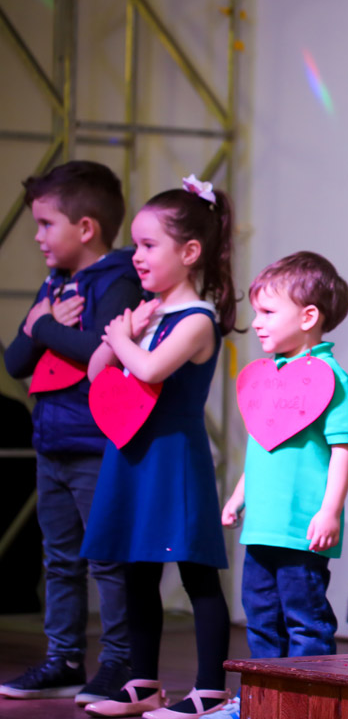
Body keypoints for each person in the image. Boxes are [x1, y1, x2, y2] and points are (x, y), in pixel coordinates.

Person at [80, 175, 237, 719]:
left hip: (173, 458)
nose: (137, 256)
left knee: (196, 572)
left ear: (189, 252)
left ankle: (210, 689)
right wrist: (123, 332)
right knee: (137, 570)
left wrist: (124, 337)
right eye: (136, 245)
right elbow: (99, 374)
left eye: (149, 245)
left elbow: (147, 369)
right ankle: (141, 683)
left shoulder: (197, 320)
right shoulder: (151, 315)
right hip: (133, 454)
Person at [1, 161, 139, 704]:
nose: (37, 236)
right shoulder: (54, 283)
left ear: (85, 227)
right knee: (59, 559)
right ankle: (63, 659)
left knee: (107, 558)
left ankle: (120, 662)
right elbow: (15, 360)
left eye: (45, 224)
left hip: (95, 443)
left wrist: (45, 326)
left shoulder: (119, 280)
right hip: (52, 442)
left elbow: (102, 353)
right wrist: (42, 325)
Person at [216, 251, 348, 719]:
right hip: (261, 526)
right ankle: (263, 702)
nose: (256, 322)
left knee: (305, 619)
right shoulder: (268, 378)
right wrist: (239, 497)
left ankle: (306, 706)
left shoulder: (331, 378)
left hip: (300, 530)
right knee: (260, 617)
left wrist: (329, 510)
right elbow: (263, 446)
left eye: (268, 311)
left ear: (308, 317)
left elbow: (342, 449)